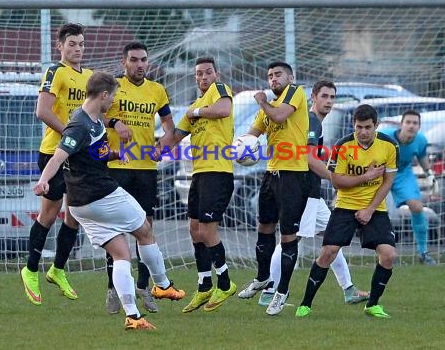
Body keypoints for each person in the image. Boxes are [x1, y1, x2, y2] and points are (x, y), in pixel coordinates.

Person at [33, 71, 185, 330]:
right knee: (145, 230)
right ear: (103, 95)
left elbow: (93, 154)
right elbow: (59, 156)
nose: (113, 101)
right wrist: (44, 180)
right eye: (112, 96)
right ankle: (162, 285)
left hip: (81, 206)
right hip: (100, 194)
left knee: (121, 254)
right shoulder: (78, 125)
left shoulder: (95, 121)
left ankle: (133, 317)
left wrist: (115, 154)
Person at [257, 80, 369, 307]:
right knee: (291, 240)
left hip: (311, 192)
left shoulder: (314, 122)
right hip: (306, 192)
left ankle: (348, 289)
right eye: (324, 96)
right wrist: (334, 177)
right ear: (313, 98)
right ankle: (269, 291)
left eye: (332, 97)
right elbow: (308, 159)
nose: (329, 101)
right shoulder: (311, 122)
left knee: (331, 238)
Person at [295, 104, 398, 319]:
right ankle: (305, 304)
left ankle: (372, 305)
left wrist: (370, 209)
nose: (363, 132)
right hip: (345, 206)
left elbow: (388, 181)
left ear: (376, 126)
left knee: (388, 255)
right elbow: (336, 182)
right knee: (328, 253)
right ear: (354, 125)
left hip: (374, 208)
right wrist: (365, 177)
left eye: (368, 127)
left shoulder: (389, 146)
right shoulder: (343, 146)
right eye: (359, 127)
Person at [21, 23, 92, 305]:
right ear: (60, 46)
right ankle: (30, 269)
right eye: (72, 43)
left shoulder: (88, 76)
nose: (77, 48)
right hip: (54, 152)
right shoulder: (55, 72)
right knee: (49, 215)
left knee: (75, 214)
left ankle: (58, 269)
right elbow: (42, 111)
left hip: (78, 156)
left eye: (81, 44)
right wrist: (69, 135)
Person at [103, 41, 176, 315]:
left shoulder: (157, 90)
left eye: (143, 60)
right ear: (124, 63)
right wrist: (115, 123)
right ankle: (113, 287)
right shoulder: (112, 87)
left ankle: (145, 286)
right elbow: (97, 114)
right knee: (115, 229)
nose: (140, 65)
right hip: (117, 165)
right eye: (134, 60)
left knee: (146, 227)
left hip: (146, 168)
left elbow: (169, 126)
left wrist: (163, 145)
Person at [159, 57, 236, 313]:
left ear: (217, 74)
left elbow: (224, 110)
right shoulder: (194, 106)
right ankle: (204, 285)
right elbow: (174, 137)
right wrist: (152, 149)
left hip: (218, 172)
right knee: (194, 228)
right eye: (199, 74)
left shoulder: (220, 91)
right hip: (200, 174)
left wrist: (197, 112)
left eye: (208, 73)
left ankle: (224, 282)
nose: (204, 77)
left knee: (207, 231)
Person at [237, 61, 310, 316]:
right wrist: (241, 149)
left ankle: (282, 292)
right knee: (264, 227)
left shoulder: (295, 93)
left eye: (278, 74)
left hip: (293, 175)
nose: (273, 79)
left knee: (288, 235)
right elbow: (251, 135)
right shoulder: (267, 108)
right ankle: (262, 278)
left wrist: (261, 101)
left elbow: (278, 116)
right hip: (271, 173)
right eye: (269, 76)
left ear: (290, 77)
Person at [379, 110, 438, 265]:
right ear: (401, 124)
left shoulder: (420, 140)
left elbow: (423, 159)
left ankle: (423, 252)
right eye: (408, 122)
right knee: (378, 212)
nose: (411, 126)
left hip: (403, 174)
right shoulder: (384, 136)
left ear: (419, 126)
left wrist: (431, 177)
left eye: (415, 123)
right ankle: (385, 254)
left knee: (417, 207)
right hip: (381, 173)